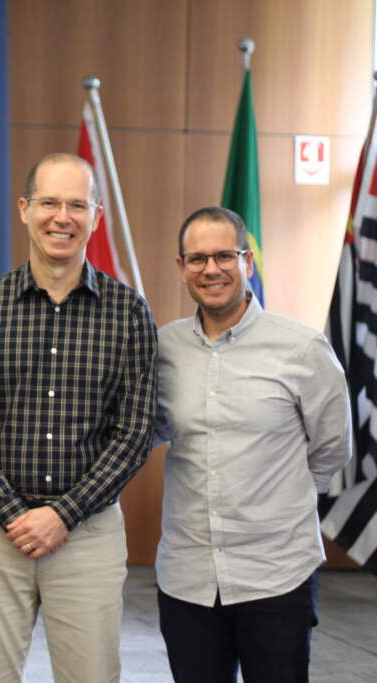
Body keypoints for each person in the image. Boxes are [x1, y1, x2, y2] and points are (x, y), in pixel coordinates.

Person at [0, 153, 158, 683]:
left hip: (88, 533)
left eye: (77, 205)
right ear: (24, 209)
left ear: (96, 217)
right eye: (49, 203)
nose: (63, 217)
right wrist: (14, 513)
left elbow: (134, 433)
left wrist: (63, 514)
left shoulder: (130, 312)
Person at [154, 206, 352, 682]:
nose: (211, 269)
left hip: (276, 574)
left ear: (248, 261)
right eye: (198, 258)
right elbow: (152, 430)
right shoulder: (162, 348)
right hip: (188, 578)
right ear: (181, 267)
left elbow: (332, 447)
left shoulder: (302, 348)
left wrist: (280, 501)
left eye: (224, 255)